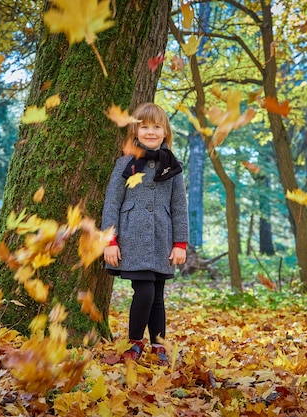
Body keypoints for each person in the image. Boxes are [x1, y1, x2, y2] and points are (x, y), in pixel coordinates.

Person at [101, 102, 189, 366]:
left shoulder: (172, 166)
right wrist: (110, 241)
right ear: (135, 131)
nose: (151, 132)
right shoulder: (126, 164)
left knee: (158, 295)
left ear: (165, 132)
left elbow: (179, 207)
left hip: (162, 239)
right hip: (131, 239)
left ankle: (158, 345)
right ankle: (134, 342)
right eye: (145, 127)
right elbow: (112, 202)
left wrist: (180, 243)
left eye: (156, 126)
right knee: (146, 292)